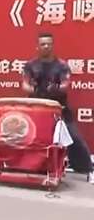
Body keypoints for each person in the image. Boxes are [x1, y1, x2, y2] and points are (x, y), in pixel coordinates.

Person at [22, 32, 94, 182]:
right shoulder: (30, 66)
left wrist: (55, 89)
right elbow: (25, 85)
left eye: (49, 44)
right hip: (37, 109)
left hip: (59, 109)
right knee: (30, 137)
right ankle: (27, 167)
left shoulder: (61, 66)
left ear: (52, 46)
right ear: (38, 47)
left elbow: (65, 85)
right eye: (43, 44)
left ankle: (88, 169)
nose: (46, 46)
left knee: (74, 138)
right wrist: (35, 90)